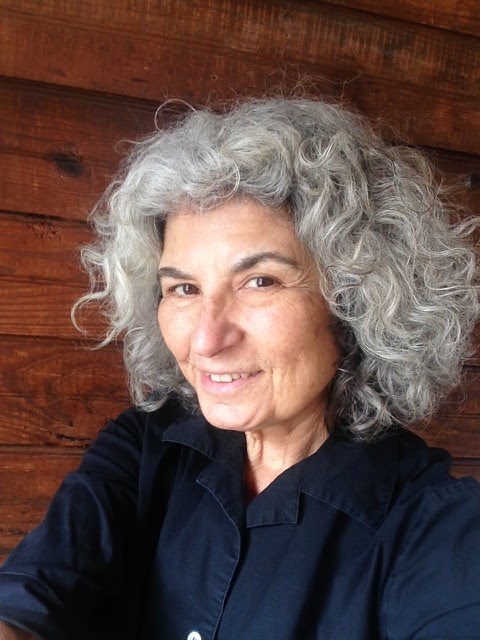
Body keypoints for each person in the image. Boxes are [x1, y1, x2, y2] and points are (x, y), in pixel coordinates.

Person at [0, 97, 479, 640]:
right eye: (183, 288)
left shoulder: (434, 527)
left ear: (355, 300)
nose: (206, 340)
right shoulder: (144, 448)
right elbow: (35, 593)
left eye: (260, 282)